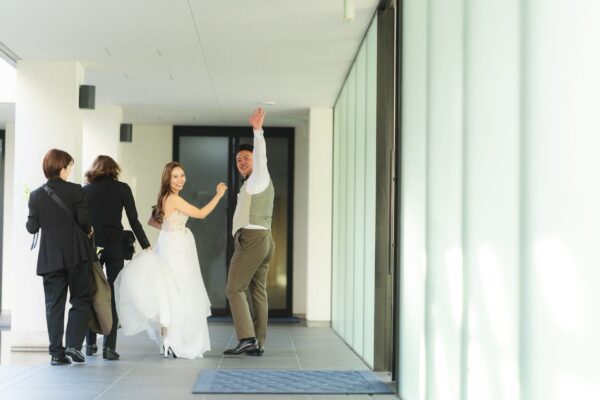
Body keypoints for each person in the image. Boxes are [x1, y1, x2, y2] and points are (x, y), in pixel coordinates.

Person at [115, 162, 227, 359]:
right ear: (167, 179)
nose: (180, 179)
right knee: (179, 292)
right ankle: (174, 341)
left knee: (170, 292)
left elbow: (152, 221)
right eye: (175, 176)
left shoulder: (164, 197)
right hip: (176, 249)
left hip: (169, 244)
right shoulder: (173, 199)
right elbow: (201, 214)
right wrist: (218, 195)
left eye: (182, 175)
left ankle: (168, 340)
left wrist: (171, 228)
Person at [26, 149, 93, 365]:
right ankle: (73, 345)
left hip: (50, 258)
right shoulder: (76, 190)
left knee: (53, 305)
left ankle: (56, 353)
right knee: (80, 299)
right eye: (69, 167)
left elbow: (31, 227)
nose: (70, 171)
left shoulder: (35, 195)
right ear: (62, 168)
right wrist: (89, 229)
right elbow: (84, 221)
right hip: (76, 253)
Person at [83, 155, 152, 360]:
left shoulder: (85, 190)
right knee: (113, 294)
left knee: (92, 291)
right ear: (114, 169)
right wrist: (145, 244)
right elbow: (133, 219)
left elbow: (82, 221)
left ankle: (90, 344)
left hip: (92, 246)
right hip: (114, 246)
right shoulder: (122, 189)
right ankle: (109, 347)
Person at [224, 108, 275, 356]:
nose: (242, 162)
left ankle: (247, 338)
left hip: (253, 239)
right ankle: (258, 342)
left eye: (246, 157)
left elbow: (261, 157)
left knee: (234, 288)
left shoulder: (258, 178)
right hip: (264, 239)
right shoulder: (251, 184)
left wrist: (258, 130)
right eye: (238, 160)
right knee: (257, 292)